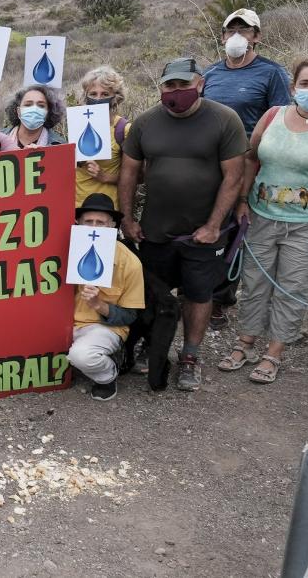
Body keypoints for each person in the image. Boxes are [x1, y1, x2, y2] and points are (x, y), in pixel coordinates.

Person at [218, 58, 308, 384]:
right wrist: (242, 201)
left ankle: (274, 351)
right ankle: (245, 343)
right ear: (294, 86)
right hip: (262, 217)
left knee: (291, 288)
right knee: (254, 284)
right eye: (305, 83)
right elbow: (251, 159)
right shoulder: (272, 117)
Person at [119, 57, 247, 391]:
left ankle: (190, 356)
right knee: (151, 292)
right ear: (161, 87)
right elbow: (129, 173)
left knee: (198, 294)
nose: (176, 92)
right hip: (155, 229)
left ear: (200, 83)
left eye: (183, 85)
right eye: (169, 85)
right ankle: (152, 345)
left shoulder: (224, 120)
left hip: (203, 233)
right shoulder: (146, 123)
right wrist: (128, 219)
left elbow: (234, 176)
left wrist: (215, 224)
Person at [202, 8, 291, 327]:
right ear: (222, 36)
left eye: (245, 29)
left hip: (247, 165)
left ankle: (221, 298)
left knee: (234, 228)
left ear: (257, 36)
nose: (237, 35)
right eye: (231, 29)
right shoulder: (210, 74)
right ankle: (200, 292)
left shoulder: (272, 73)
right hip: (209, 164)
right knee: (209, 224)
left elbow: (280, 121)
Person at [67, 194, 145, 401]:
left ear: (112, 226)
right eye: (88, 221)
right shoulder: (64, 249)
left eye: (100, 222)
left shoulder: (130, 263)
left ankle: (107, 375)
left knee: (81, 356)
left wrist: (99, 305)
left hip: (102, 328)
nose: (94, 227)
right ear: (78, 224)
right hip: (63, 323)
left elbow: (129, 316)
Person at [75, 66, 131, 207]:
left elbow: (137, 177)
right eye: (93, 94)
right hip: (76, 206)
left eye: (105, 94)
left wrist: (105, 177)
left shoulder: (123, 129)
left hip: (107, 208)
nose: (98, 99)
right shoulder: (76, 123)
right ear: (85, 96)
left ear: (115, 97)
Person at [1, 85, 67, 148]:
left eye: (41, 106)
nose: (34, 109)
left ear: (48, 112)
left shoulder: (59, 145)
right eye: (28, 105)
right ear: (18, 111)